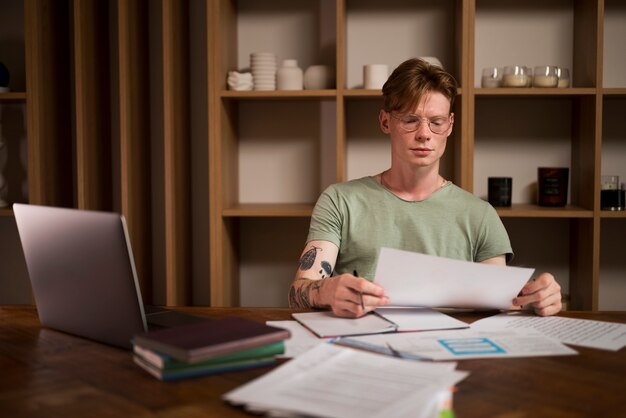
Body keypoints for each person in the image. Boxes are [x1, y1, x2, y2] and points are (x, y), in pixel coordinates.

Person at [288, 57, 562, 318]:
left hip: (450, 350)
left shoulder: (480, 214)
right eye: (410, 120)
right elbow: (299, 290)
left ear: (450, 125)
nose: (424, 133)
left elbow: (502, 306)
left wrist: (537, 298)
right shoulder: (340, 201)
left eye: (436, 122)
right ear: (385, 121)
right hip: (360, 344)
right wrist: (324, 291)